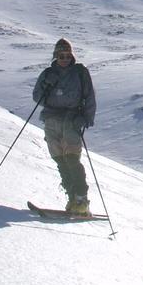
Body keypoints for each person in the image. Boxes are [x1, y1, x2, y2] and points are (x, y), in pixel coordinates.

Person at [32, 38, 96, 215]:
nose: (65, 59)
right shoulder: (47, 74)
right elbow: (37, 97)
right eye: (61, 56)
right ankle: (71, 198)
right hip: (51, 120)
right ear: (55, 56)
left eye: (68, 55)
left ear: (72, 56)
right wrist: (47, 85)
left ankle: (81, 200)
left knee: (72, 159)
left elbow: (89, 96)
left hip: (72, 119)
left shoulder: (80, 73)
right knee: (60, 160)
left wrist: (86, 118)